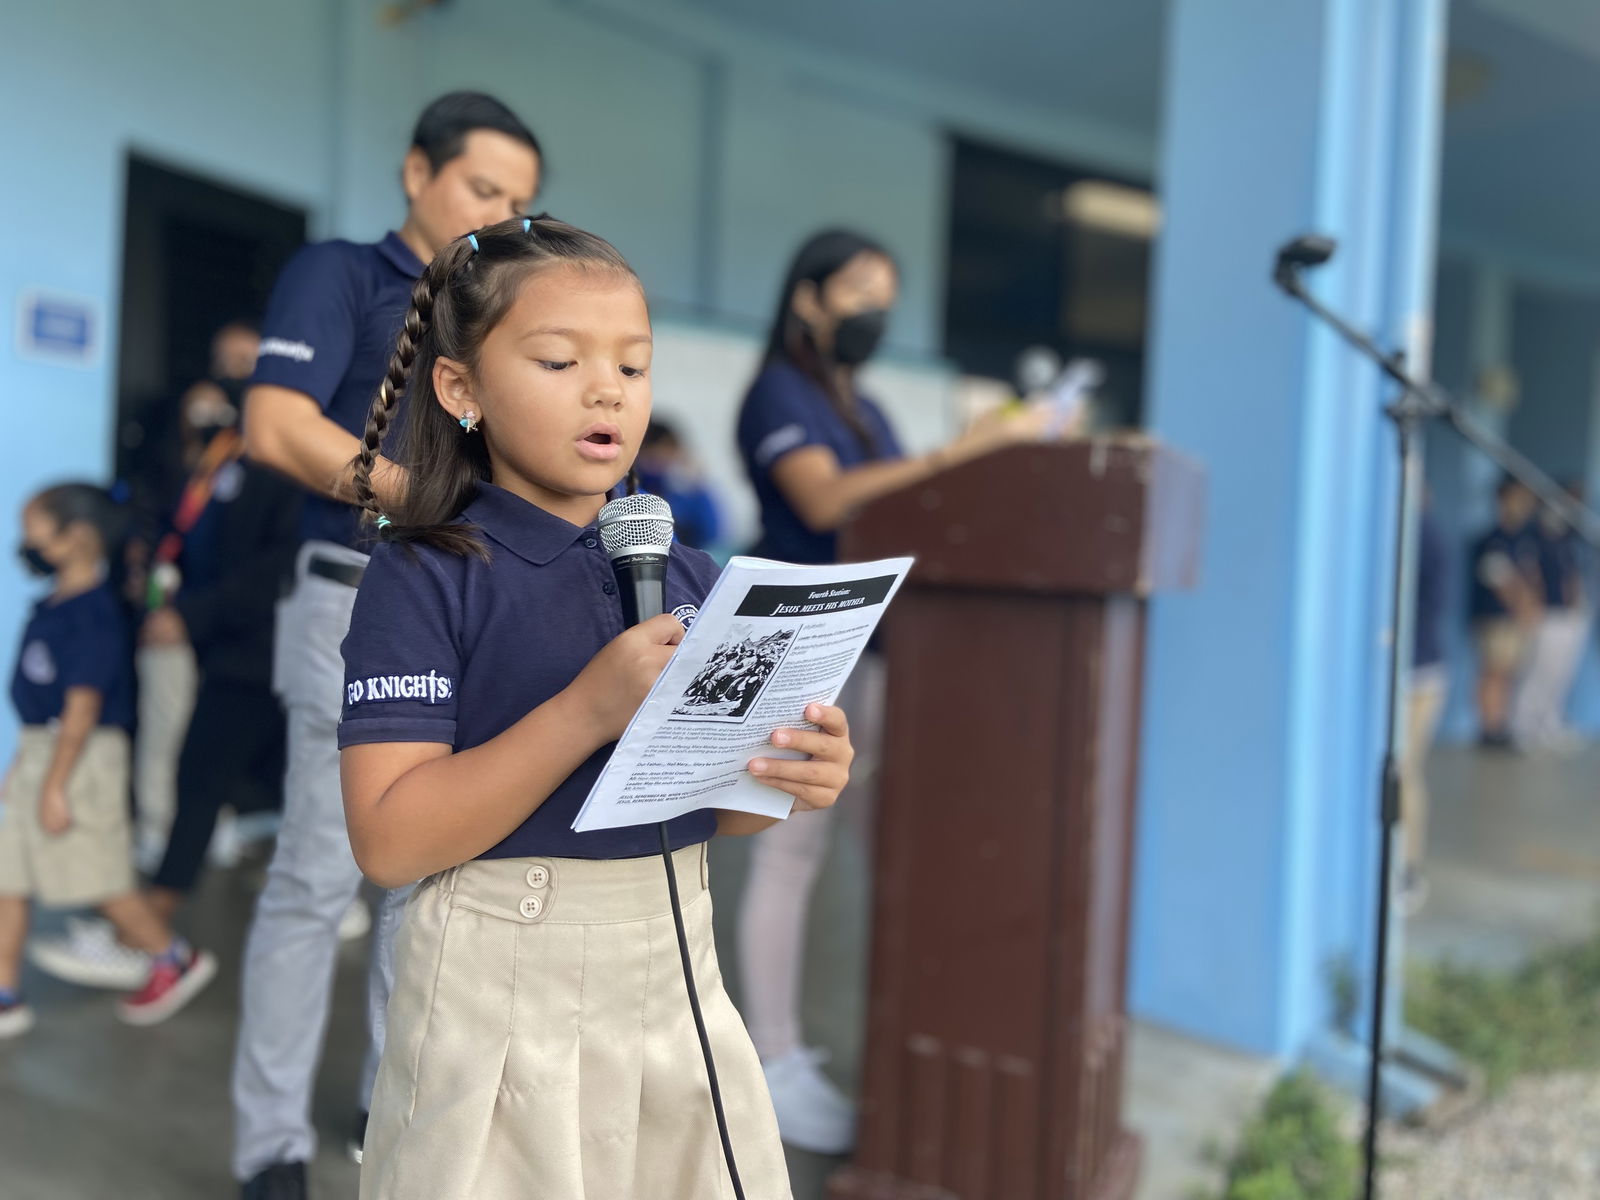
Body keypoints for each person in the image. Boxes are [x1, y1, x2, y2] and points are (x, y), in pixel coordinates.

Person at [338, 215, 851, 1198]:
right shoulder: (425, 572)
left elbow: (712, 805)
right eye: (561, 359)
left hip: (676, 985)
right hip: (498, 990)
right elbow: (390, 840)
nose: (607, 388)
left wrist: (794, 773)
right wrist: (585, 710)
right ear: (461, 389)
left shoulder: (692, 575)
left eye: (633, 364)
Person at [233, 92, 543, 1200]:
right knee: (321, 879)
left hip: (459, 608)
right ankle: (269, 1147)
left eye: (521, 202)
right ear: (418, 171)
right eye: (482, 188)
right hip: (350, 592)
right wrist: (437, 504)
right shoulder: (341, 275)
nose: (501, 215)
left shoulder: (485, 319)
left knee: (427, 881)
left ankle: (386, 1102)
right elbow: (275, 425)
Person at [732, 228, 1055, 1152]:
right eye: (859, 291)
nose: (876, 309)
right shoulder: (777, 394)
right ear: (808, 298)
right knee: (790, 853)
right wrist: (959, 451)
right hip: (799, 634)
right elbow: (831, 502)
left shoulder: (863, 405)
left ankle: (836, 1046)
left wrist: (984, 454)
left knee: (859, 843)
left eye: (888, 294)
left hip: (870, 641)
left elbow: (914, 502)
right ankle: (771, 1062)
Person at [0, 484, 216, 1038]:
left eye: (35, 531)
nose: (26, 543)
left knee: (98, 874)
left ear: (76, 539)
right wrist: (22, 771)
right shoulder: (50, 607)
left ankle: (173, 957)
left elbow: (82, 704)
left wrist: (53, 785)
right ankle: (5, 994)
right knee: (8, 877)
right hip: (45, 754)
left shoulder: (91, 616)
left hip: (81, 757)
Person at [1400, 497, 1449, 914]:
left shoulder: (1420, 531)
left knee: (1405, 771)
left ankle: (1409, 870)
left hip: (1417, 674)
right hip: (1406, 668)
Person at [1511, 489, 1587, 752]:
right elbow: (1529, 576)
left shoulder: (1568, 539)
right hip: (1547, 615)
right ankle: (1523, 728)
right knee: (1537, 674)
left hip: (1568, 615)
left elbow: (1573, 577)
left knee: (1559, 675)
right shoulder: (1534, 538)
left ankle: (1548, 725)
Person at [1470, 477, 1542, 749]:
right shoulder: (1493, 539)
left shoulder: (1523, 539)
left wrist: (1531, 606)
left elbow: (1530, 575)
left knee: (1508, 673)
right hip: (1495, 616)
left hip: (1515, 619)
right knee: (1493, 672)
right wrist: (1522, 605)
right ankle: (1488, 729)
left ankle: (1501, 724)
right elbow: (1499, 579)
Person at [634, 418, 726, 553]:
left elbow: (713, 536)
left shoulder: (686, 495)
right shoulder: (630, 497)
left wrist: (697, 486)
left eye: (669, 454)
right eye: (653, 457)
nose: (661, 463)